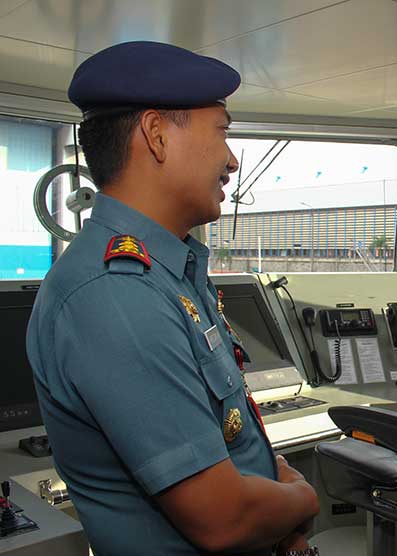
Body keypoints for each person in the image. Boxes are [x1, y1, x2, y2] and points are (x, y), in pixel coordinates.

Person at [26, 41, 319, 556]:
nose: (231, 160)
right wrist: (304, 499)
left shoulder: (173, 270)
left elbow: (233, 438)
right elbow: (223, 521)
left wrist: (278, 503)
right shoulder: (116, 294)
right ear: (157, 135)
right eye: (222, 131)